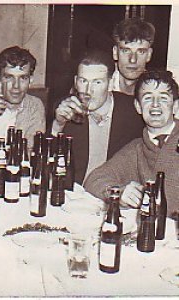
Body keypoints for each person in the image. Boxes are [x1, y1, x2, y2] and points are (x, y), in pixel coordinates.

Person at [84, 70, 179, 216]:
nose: (155, 105)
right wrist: (118, 193)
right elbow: (94, 179)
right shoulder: (137, 148)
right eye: (148, 98)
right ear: (138, 107)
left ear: (176, 107)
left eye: (163, 98)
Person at [51, 49, 144, 184]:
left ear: (110, 83)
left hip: (115, 195)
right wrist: (57, 125)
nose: (89, 91)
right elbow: (47, 161)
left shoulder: (133, 111)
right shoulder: (66, 108)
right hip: (75, 195)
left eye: (97, 82)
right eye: (83, 81)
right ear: (76, 82)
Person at [112, 17, 155, 96]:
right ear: (115, 53)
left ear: (149, 55)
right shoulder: (99, 88)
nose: (132, 59)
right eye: (126, 50)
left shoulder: (155, 94)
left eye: (141, 51)